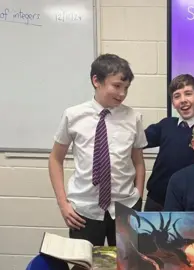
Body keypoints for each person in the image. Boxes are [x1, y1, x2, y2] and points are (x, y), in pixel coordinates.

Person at [48, 54, 147, 246]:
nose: (122, 93)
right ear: (96, 81)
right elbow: (55, 159)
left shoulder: (133, 117)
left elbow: (138, 162)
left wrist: (138, 198)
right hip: (84, 210)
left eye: (126, 88)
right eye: (117, 86)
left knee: (125, 264)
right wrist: (63, 204)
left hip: (125, 207)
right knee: (86, 264)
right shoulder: (73, 115)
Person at [143, 74, 194, 211]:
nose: (183, 100)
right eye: (177, 96)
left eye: (188, 94)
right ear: (173, 103)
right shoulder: (166, 125)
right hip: (158, 200)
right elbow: (138, 140)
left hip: (192, 203)